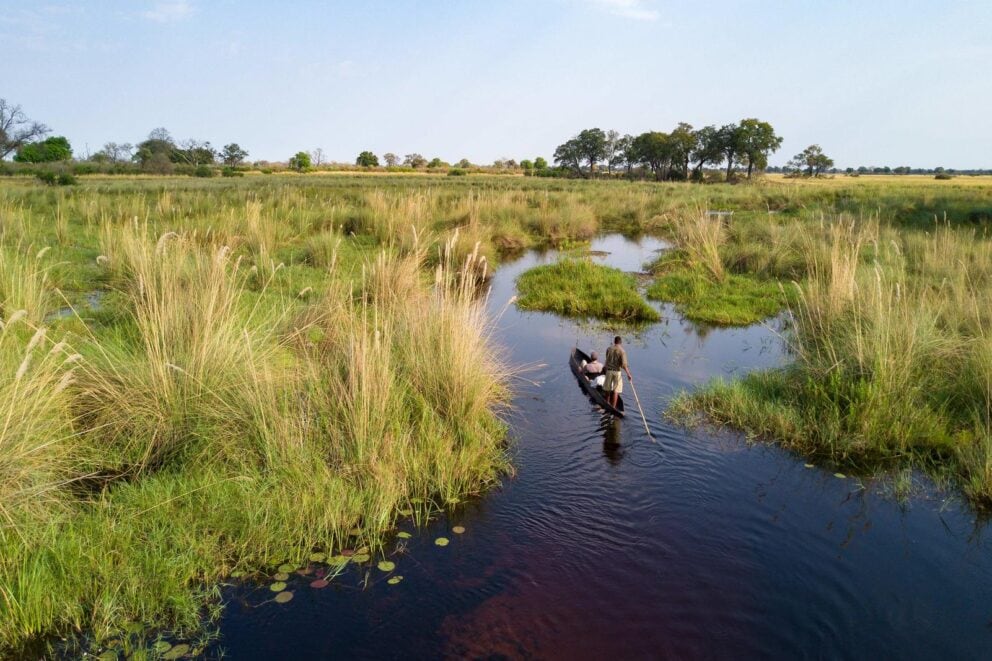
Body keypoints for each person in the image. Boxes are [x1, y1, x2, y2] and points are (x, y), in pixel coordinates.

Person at [603, 335, 632, 409]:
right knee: (616, 390)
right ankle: (613, 407)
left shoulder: (609, 349)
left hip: (609, 371)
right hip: (617, 372)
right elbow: (624, 365)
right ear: (620, 342)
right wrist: (628, 374)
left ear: (614, 341)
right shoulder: (622, 351)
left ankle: (607, 403)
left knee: (607, 388)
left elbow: (607, 359)